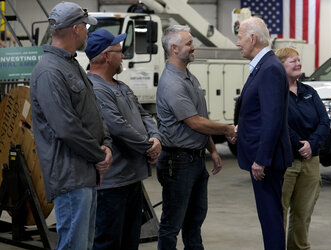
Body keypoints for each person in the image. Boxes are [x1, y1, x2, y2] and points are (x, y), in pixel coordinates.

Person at [29, 2, 112, 250]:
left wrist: (106, 144)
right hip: (70, 175)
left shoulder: (71, 64)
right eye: (86, 27)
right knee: (74, 245)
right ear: (76, 29)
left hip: (85, 173)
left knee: (84, 245)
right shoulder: (48, 72)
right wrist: (99, 155)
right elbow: (66, 127)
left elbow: (93, 112)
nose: (88, 32)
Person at [156, 24, 237, 250]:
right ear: (174, 48)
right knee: (172, 225)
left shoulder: (188, 77)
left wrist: (212, 150)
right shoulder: (172, 83)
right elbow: (194, 122)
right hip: (178, 162)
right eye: (189, 43)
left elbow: (199, 118)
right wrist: (228, 129)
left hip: (194, 159)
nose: (194, 47)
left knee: (194, 221)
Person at [85, 29, 163, 250]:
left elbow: (144, 115)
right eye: (120, 51)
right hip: (112, 184)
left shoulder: (122, 87)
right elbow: (117, 127)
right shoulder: (96, 89)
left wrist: (155, 137)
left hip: (131, 179)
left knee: (130, 239)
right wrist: (148, 148)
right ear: (107, 56)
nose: (123, 56)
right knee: (108, 242)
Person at [235, 17, 293, 250]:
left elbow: (272, 118)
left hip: (265, 162)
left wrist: (261, 159)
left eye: (239, 37)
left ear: (252, 38)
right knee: (269, 216)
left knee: (270, 219)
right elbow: (260, 113)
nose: (237, 43)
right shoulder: (265, 65)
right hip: (262, 156)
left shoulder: (269, 68)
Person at [275, 47, 330, 250]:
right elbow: (279, 123)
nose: (298, 63)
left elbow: (325, 121)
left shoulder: (309, 92)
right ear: (280, 66)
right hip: (286, 161)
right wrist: (299, 145)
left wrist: (312, 144)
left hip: (310, 161)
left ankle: (299, 247)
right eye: (292, 61)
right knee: (278, 211)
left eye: (298, 60)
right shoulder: (276, 93)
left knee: (303, 211)